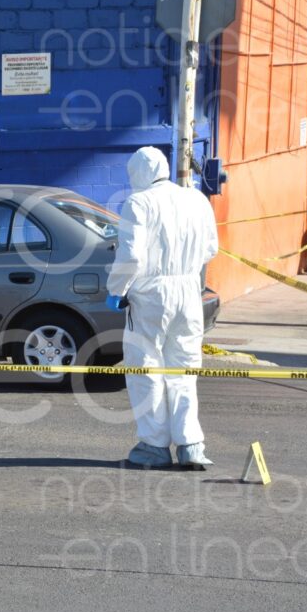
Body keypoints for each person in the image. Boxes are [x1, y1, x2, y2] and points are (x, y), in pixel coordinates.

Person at [106, 146, 219, 469]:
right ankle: (190, 445)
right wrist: (184, 269)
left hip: (150, 295)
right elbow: (211, 246)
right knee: (184, 368)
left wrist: (117, 289)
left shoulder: (138, 203)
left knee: (146, 369)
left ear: (138, 174)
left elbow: (132, 256)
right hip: (188, 291)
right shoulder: (196, 199)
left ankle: (154, 446)